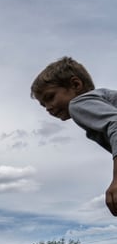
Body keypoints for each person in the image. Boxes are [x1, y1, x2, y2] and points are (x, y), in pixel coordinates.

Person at [31, 56, 117, 216]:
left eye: (50, 97)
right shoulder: (105, 98)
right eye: (43, 105)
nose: (48, 108)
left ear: (76, 84)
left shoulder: (78, 103)